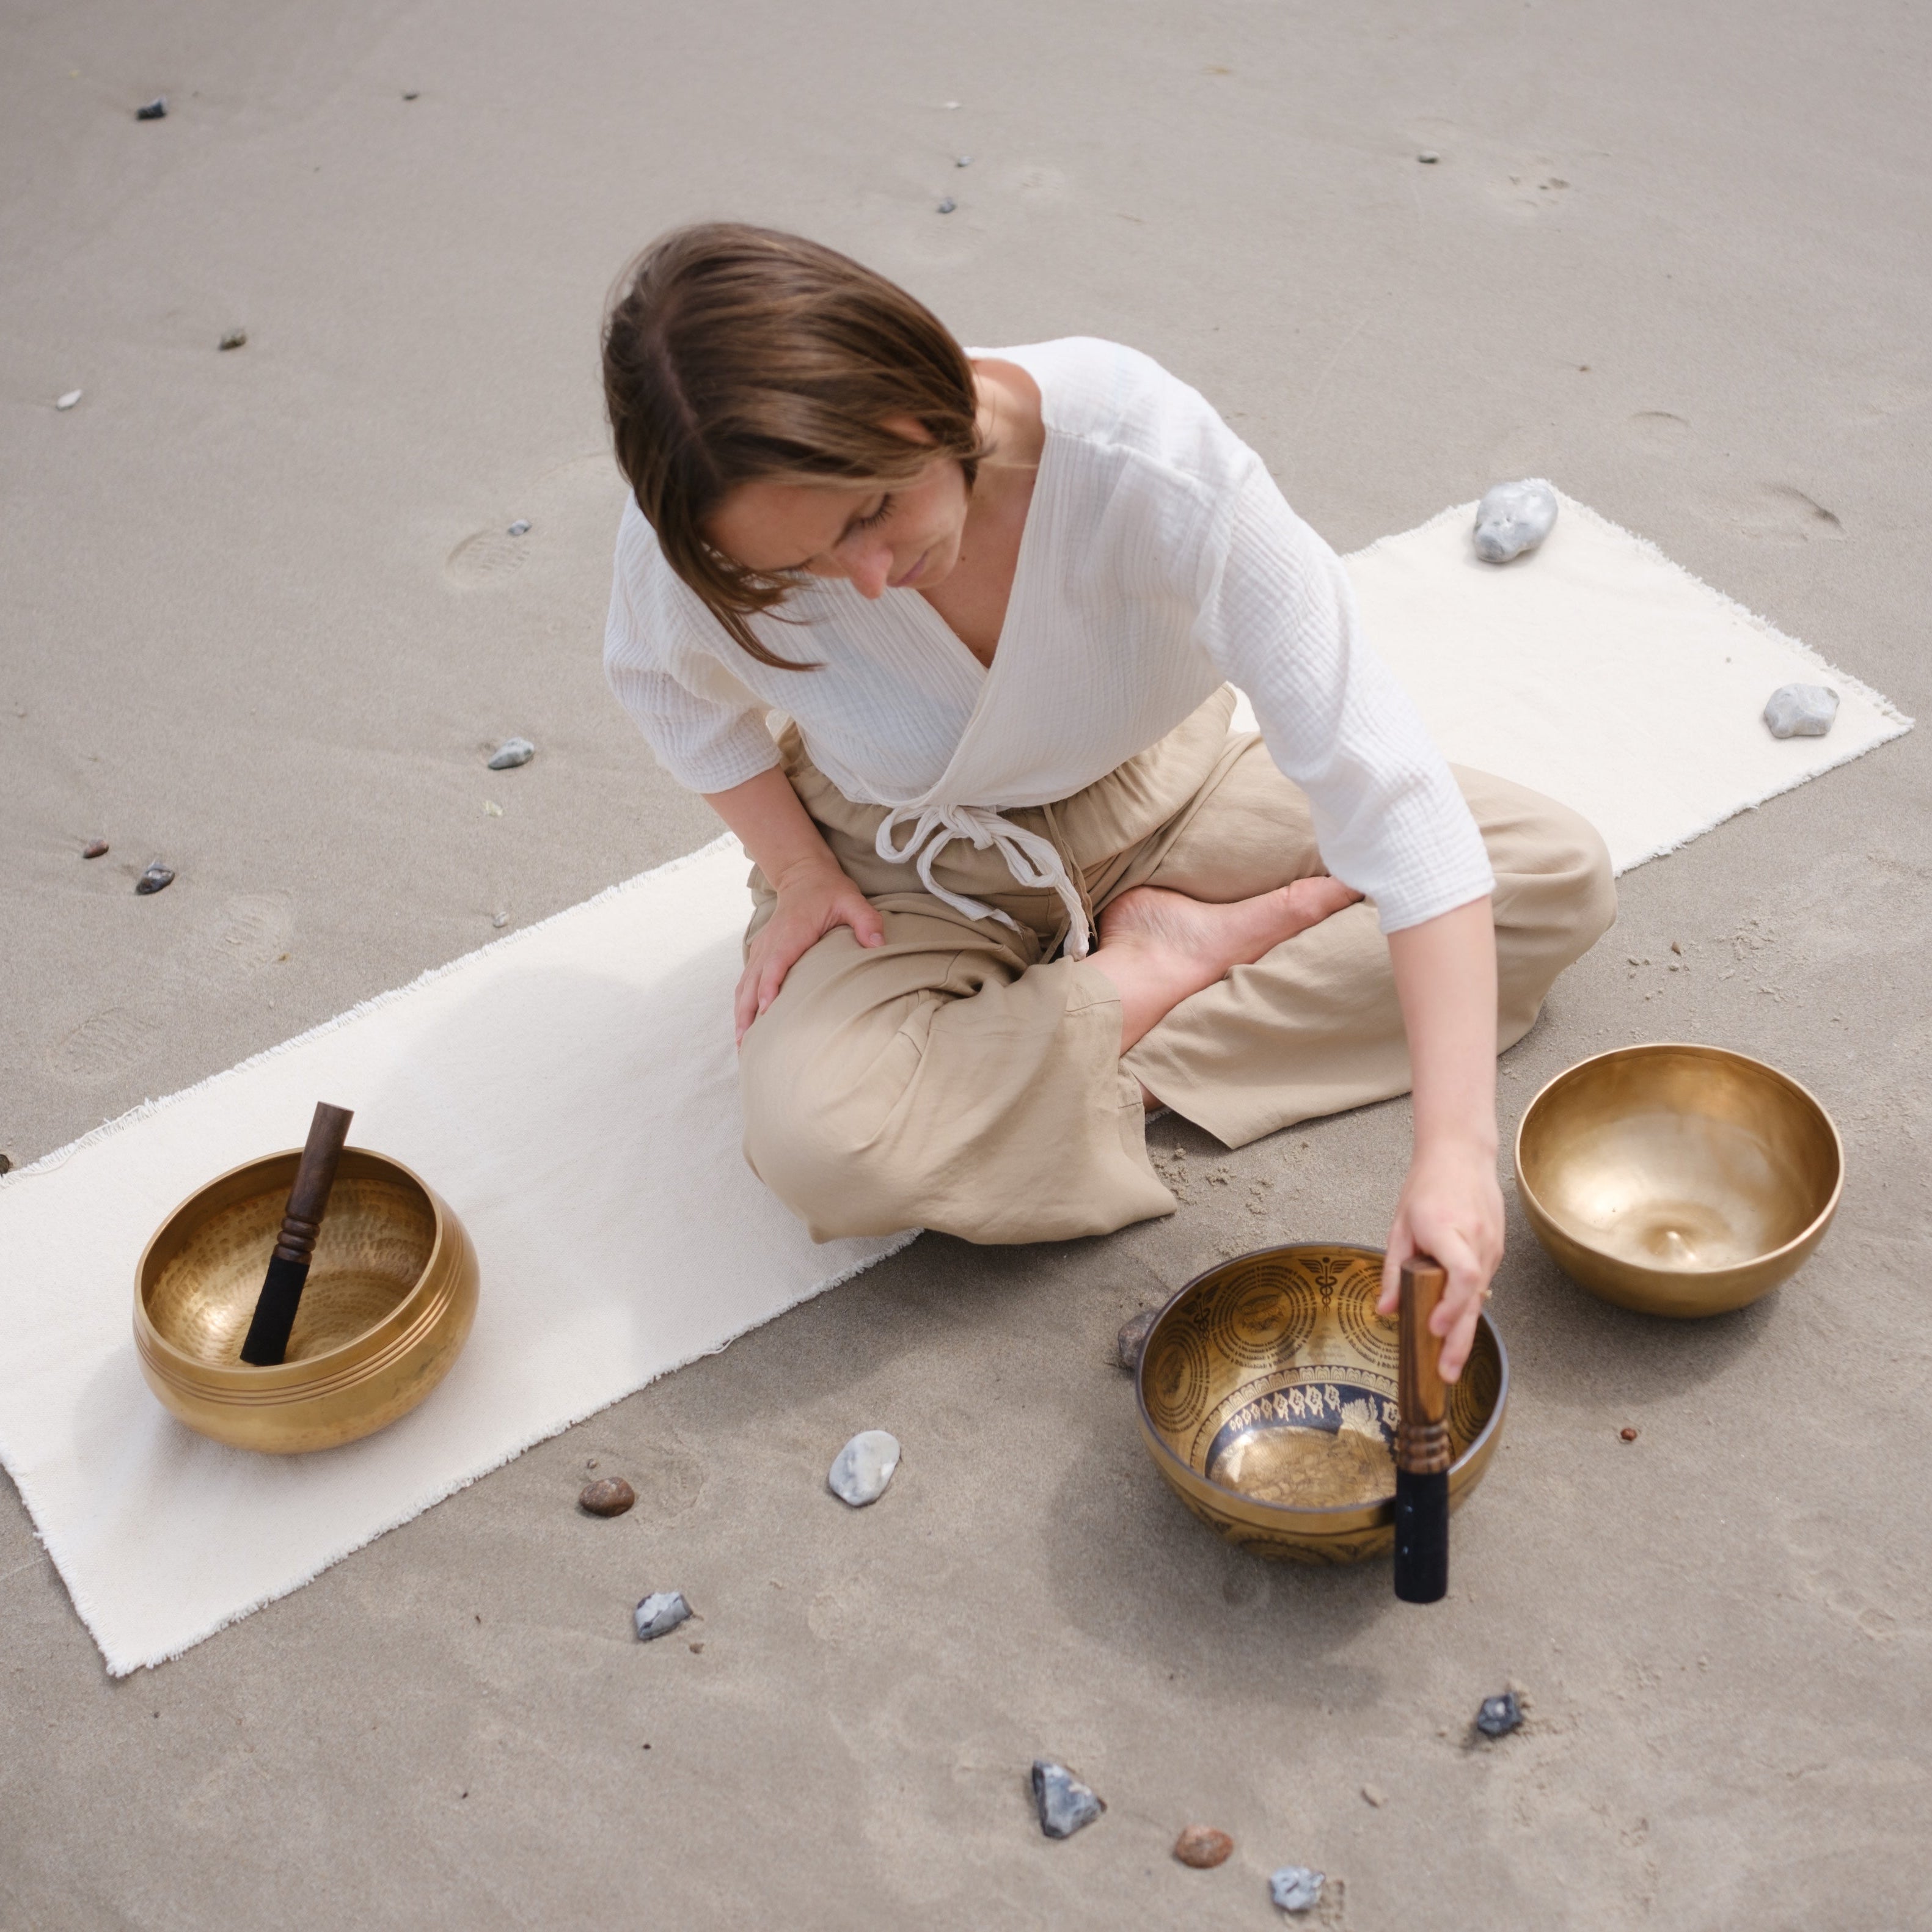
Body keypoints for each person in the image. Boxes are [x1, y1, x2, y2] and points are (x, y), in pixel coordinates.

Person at [601, 224, 1614, 1381]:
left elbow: (1384, 786)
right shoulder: (694, 536)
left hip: (1163, 795)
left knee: (1546, 872)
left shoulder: (1146, 454)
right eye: (807, 570)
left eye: (870, 512)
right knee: (825, 1147)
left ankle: (1046, 1058)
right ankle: (1156, 974)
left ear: (917, 396)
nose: (866, 580)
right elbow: (661, 684)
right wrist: (796, 870)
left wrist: (1453, 1150)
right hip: (906, 852)